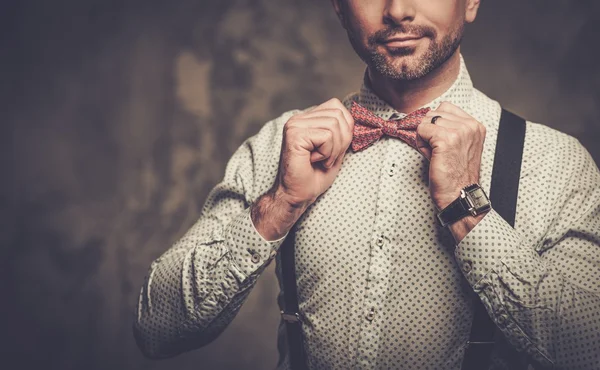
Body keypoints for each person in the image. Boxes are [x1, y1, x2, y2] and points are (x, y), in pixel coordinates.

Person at [133, 0, 600, 369]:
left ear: (471, 1)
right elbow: (157, 328)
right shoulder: (283, 143)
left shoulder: (555, 163)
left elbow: (590, 351)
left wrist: (468, 211)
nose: (397, 10)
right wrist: (278, 205)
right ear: (338, 6)